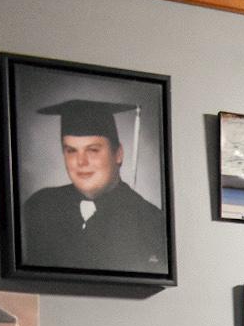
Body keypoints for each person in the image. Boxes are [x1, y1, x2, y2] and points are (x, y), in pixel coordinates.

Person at [20, 98, 169, 274]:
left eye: (93, 150)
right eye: (71, 151)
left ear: (118, 154)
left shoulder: (151, 222)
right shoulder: (38, 206)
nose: (81, 162)